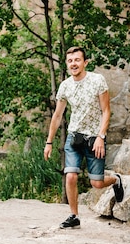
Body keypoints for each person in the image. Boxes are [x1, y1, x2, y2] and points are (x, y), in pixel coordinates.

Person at [44, 45, 124, 229]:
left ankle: (116, 180)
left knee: (96, 183)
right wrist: (49, 142)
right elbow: (57, 116)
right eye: (70, 61)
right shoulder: (65, 86)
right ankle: (74, 216)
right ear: (66, 64)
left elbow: (106, 111)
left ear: (85, 62)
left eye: (77, 60)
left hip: (94, 139)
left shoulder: (97, 80)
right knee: (70, 176)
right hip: (74, 138)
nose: (74, 64)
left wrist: (100, 137)